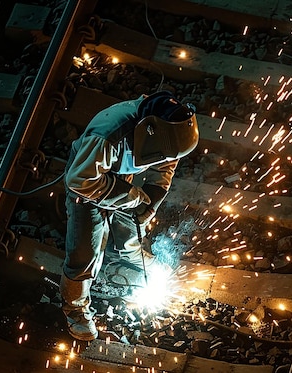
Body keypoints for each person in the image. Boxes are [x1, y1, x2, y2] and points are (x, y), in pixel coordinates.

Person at [60, 91, 199, 341]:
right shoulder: (107, 137)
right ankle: (76, 309)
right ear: (149, 133)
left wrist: (149, 203)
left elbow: (165, 165)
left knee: (131, 222)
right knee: (85, 253)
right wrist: (132, 196)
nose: (169, 159)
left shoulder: (166, 128)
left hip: (119, 178)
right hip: (86, 185)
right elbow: (79, 181)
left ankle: (127, 252)